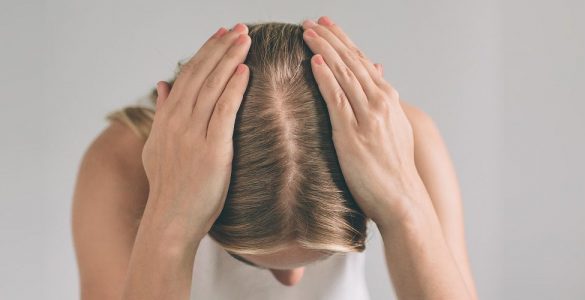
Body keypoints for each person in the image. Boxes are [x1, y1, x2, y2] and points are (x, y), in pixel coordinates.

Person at [72, 16, 479, 299]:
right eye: (246, 261)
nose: (292, 281)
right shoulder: (120, 163)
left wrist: (404, 207)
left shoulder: (404, 142)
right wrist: (171, 222)